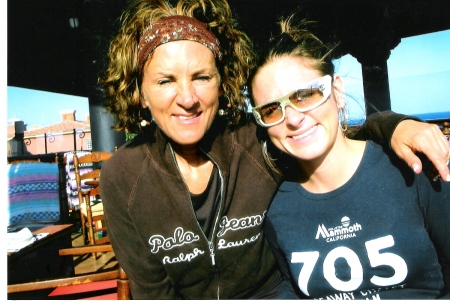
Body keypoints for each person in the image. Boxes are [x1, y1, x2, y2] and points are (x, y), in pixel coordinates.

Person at [99, 0, 450, 299]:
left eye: (202, 77)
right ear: (140, 92)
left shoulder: (254, 139)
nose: (188, 98)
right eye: (164, 81)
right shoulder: (123, 178)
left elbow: (327, 134)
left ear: (222, 84)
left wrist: (395, 125)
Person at [248, 13, 450, 299]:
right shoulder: (277, 209)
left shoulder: (413, 169)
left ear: (337, 92)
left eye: (305, 94)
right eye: (271, 109)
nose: (292, 119)